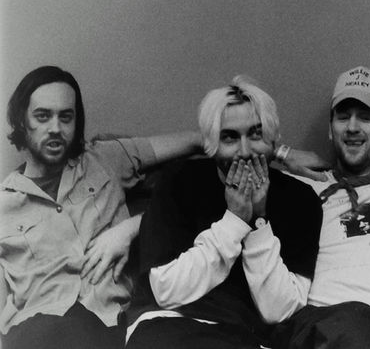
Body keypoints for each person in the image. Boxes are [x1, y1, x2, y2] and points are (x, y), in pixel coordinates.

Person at [0, 66, 202, 349]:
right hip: (36, 331)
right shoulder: (4, 204)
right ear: (22, 121)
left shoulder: (105, 159)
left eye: (66, 117)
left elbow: (198, 142)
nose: (55, 128)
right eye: (42, 116)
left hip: (108, 325)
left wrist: (131, 228)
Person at [125, 76, 323, 349]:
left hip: (247, 338)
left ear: (273, 140)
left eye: (256, 134)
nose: (245, 151)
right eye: (230, 137)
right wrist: (235, 221)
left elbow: (278, 310)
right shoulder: (178, 181)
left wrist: (258, 223)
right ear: (211, 145)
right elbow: (166, 290)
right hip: (169, 325)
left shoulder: (300, 198)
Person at [273, 66, 370, 349]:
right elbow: (224, 150)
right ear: (330, 129)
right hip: (329, 320)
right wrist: (279, 152)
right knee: (356, 324)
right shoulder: (304, 185)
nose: (352, 127)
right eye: (343, 117)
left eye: (365, 117)